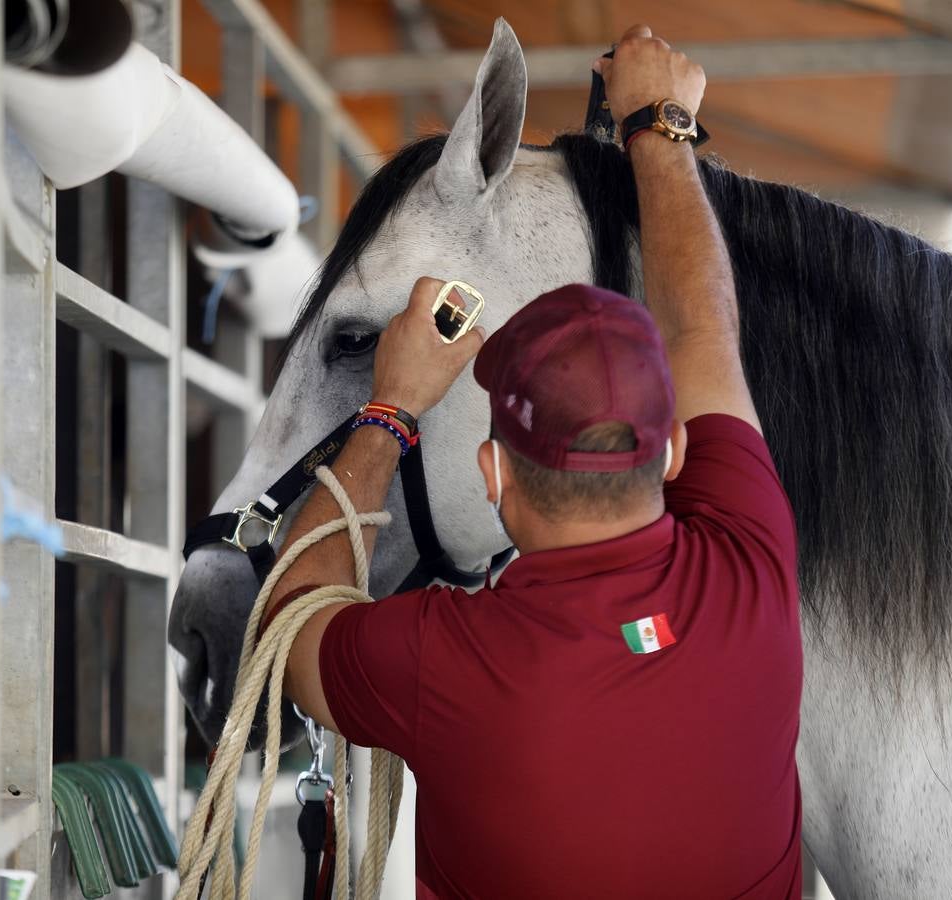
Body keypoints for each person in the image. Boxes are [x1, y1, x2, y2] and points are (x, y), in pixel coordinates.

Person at [263, 24, 802, 899]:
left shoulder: (445, 663)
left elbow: (293, 620)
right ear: (671, 453)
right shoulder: (756, 568)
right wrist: (659, 127)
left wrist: (390, 412)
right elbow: (705, 326)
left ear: (493, 475)